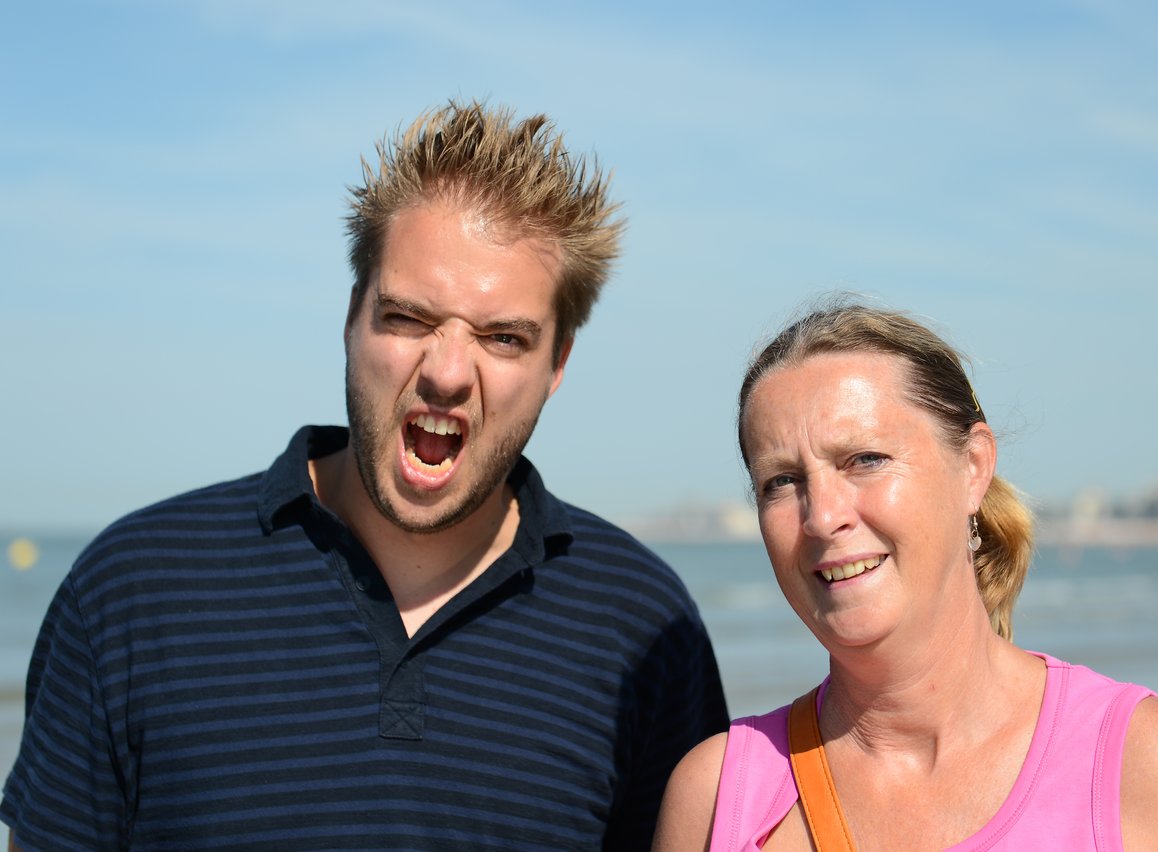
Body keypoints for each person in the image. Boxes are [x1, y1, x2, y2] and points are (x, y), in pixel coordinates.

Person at [2, 100, 728, 851]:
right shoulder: (130, 591)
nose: (446, 373)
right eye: (409, 318)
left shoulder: (645, 628)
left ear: (558, 365)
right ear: (352, 318)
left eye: (503, 337)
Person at [653, 298, 1158, 851]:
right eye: (781, 481)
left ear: (972, 466)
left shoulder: (1142, 765)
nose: (822, 516)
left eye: (865, 459)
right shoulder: (718, 798)